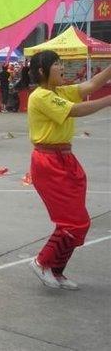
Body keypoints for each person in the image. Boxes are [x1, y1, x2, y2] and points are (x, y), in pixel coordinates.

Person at [27, 50, 111, 290]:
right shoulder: (40, 96)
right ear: (42, 70)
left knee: (74, 222)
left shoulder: (60, 92)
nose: (62, 68)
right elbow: (76, 110)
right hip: (48, 162)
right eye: (56, 64)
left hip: (65, 158)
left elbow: (92, 84)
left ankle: (55, 270)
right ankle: (41, 262)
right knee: (75, 222)